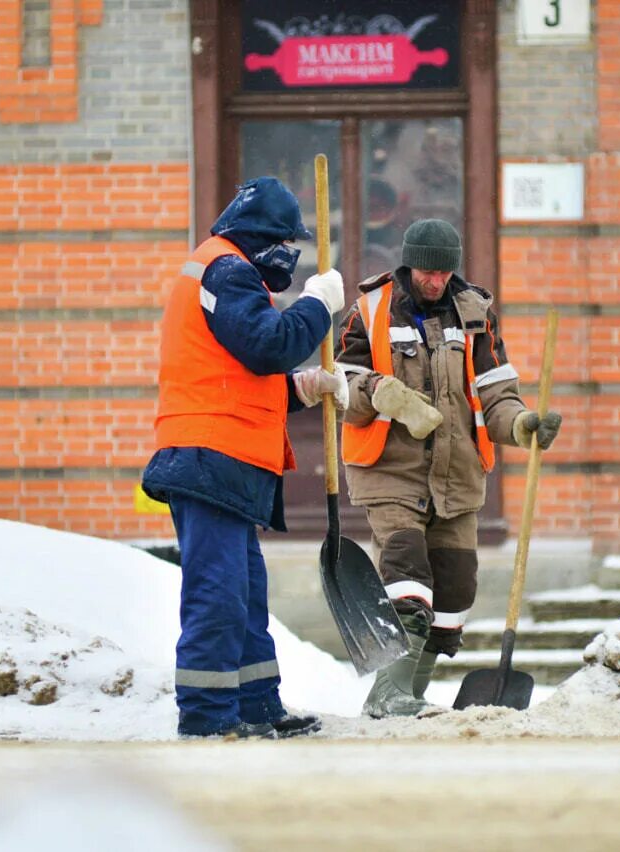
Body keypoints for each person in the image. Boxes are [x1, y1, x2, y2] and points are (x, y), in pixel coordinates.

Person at [142, 177, 348, 739]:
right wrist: (316, 305)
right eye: (286, 246)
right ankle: (208, 717)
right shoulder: (226, 270)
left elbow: (238, 375)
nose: (288, 258)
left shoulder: (231, 272)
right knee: (218, 593)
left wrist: (301, 389)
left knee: (246, 593)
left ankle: (257, 707)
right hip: (207, 456)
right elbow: (267, 345)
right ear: (263, 238)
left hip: (223, 459)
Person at [335, 218, 563, 717]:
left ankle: (409, 695)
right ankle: (387, 695)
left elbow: (496, 394)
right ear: (409, 264)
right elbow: (341, 392)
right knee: (408, 579)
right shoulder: (369, 310)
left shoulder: (476, 314)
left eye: (443, 272)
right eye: (426, 272)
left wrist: (524, 424)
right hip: (391, 473)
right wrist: (378, 392)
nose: (435, 281)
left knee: (453, 593)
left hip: (457, 477)